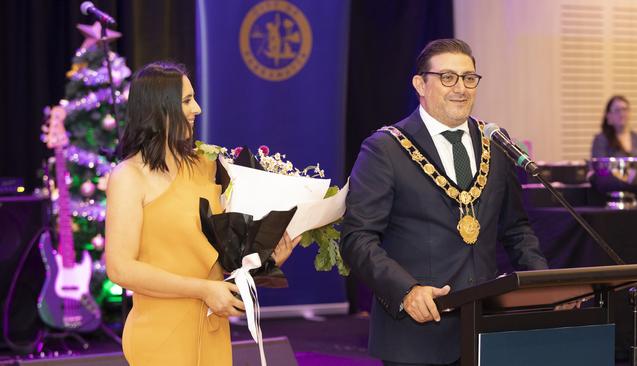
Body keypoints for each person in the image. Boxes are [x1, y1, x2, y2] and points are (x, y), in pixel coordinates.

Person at [340, 39, 549, 366]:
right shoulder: (385, 148)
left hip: (487, 333)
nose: (461, 88)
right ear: (420, 84)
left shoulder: (496, 142)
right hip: (416, 335)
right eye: (448, 77)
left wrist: (544, 284)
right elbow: (357, 238)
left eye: (469, 78)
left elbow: (516, 228)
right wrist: (406, 291)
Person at [105, 61, 301, 365]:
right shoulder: (128, 177)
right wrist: (203, 290)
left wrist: (263, 262)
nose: (197, 108)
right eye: (186, 100)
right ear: (158, 106)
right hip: (159, 337)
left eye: (193, 98)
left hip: (212, 330)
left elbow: (222, 261)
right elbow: (120, 268)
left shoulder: (206, 165)